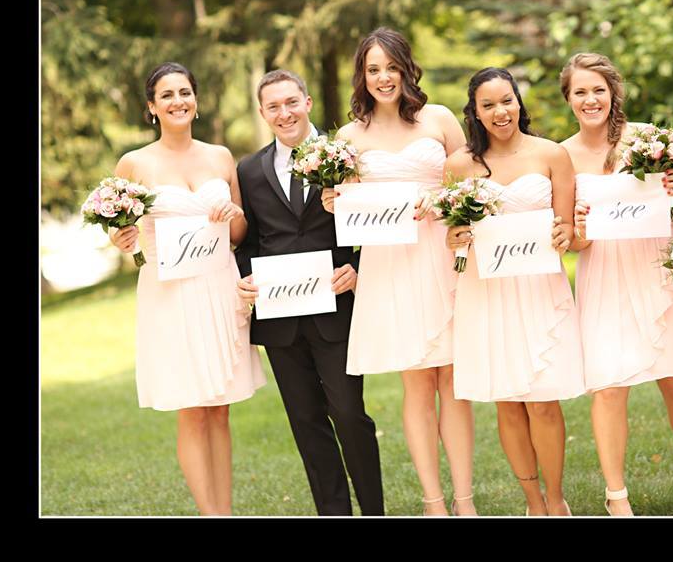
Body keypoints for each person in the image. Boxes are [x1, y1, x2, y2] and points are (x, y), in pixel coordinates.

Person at [321, 28, 475, 516]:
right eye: (373, 69)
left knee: (453, 380)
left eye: (391, 67)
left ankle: (465, 499)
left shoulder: (440, 119)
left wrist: (444, 199)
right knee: (416, 383)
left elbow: (473, 181)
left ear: (407, 68)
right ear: (361, 77)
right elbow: (347, 209)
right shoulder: (348, 137)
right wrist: (333, 200)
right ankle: (433, 501)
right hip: (389, 266)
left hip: (440, 254)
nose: (383, 77)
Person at [109, 62, 266, 515]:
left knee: (220, 407)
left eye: (185, 92)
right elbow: (122, 231)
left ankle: (226, 511)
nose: (178, 101)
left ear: (195, 100)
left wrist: (233, 216)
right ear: (151, 108)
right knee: (192, 409)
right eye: (167, 95)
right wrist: (122, 240)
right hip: (170, 296)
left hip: (220, 289)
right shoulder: (135, 163)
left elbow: (239, 234)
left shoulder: (219, 156)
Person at [559, 53, 673, 516]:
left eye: (598, 90)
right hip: (602, 275)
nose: (590, 100)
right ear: (568, 99)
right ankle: (616, 496)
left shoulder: (647, 138)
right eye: (580, 92)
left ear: (613, 93)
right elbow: (572, 243)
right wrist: (579, 226)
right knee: (607, 387)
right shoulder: (560, 155)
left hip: (656, 268)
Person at [234, 69, 383, 516]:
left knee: (349, 415)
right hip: (279, 318)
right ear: (263, 113)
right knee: (306, 422)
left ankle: (374, 510)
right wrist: (246, 278)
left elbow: (376, 225)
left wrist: (356, 268)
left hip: (335, 308)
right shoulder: (250, 170)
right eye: (273, 106)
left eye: (291, 102)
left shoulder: (347, 155)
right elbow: (253, 241)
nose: (284, 113)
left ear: (308, 102)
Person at [445, 67, 585, 516]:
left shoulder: (551, 155)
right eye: (488, 105)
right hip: (487, 294)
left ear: (518, 102)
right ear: (476, 112)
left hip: (540, 289)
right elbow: (456, 238)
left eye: (506, 100)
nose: (499, 111)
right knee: (507, 402)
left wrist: (566, 234)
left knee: (543, 402)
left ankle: (557, 498)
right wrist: (456, 239)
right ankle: (533, 503)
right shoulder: (459, 166)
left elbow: (568, 229)